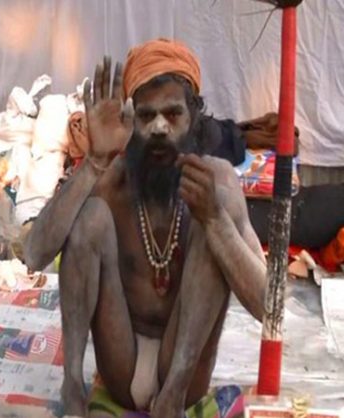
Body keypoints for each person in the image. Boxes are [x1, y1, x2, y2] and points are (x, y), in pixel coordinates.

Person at [23, 39, 266, 417]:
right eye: (146, 115)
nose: (158, 128)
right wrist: (94, 161)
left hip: (182, 377)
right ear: (129, 121)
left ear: (194, 118)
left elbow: (270, 306)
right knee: (90, 218)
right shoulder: (110, 180)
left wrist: (217, 222)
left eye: (173, 115)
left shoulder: (216, 180)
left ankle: (170, 399)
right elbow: (33, 255)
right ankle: (72, 384)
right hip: (121, 363)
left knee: (211, 224)